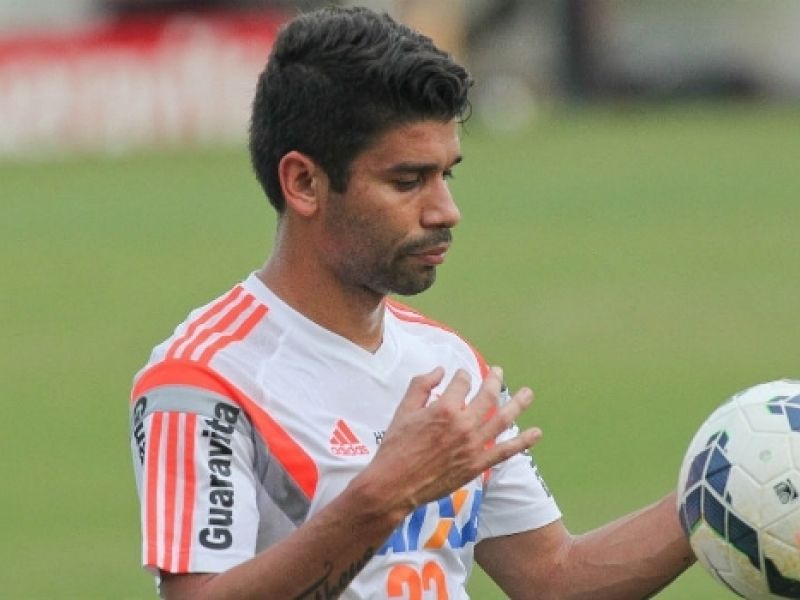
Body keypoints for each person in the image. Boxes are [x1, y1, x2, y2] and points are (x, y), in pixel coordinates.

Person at [129, 6, 694, 599]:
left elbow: (553, 578)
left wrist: (707, 501)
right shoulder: (204, 379)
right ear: (304, 183)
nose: (446, 211)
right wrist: (386, 494)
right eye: (407, 181)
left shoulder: (449, 364)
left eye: (447, 175)